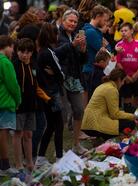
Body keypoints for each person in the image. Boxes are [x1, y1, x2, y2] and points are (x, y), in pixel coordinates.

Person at [35, 23, 82, 166]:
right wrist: (57, 74)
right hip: (53, 93)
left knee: (50, 125)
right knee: (58, 125)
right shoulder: (49, 52)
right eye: (56, 33)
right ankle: (59, 158)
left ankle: (41, 157)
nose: (57, 36)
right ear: (51, 35)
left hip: (44, 93)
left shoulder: (41, 51)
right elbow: (60, 73)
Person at [12, 38, 51, 172]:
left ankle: (29, 162)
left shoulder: (34, 66)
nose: (24, 55)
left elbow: (36, 86)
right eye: (22, 51)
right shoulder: (14, 65)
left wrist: (46, 98)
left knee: (28, 134)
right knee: (18, 134)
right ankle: (18, 164)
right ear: (17, 51)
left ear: (32, 52)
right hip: (18, 107)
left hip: (31, 106)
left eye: (28, 52)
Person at [58, 9, 88, 154]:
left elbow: (82, 61)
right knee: (62, 114)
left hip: (74, 78)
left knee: (79, 110)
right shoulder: (57, 35)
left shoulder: (76, 36)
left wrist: (83, 51)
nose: (73, 24)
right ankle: (59, 149)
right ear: (63, 21)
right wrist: (73, 45)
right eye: (70, 21)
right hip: (61, 78)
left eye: (75, 22)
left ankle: (76, 144)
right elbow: (56, 54)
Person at [81, 68, 136, 140]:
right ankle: (117, 140)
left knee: (123, 121)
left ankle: (102, 139)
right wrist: (132, 116)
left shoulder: (103, 86)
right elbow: (115, 114)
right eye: (123, 81)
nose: (123, 84)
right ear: (119, 79)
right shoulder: (112, 89)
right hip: (95, 124)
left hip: (87, 123)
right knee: (130, 123)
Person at [116, 22, 138, 114]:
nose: (123, 32)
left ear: (131, 31)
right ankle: (130, 124)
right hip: (125, 78)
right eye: (121, 31)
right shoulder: (119, 45)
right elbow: (118, 62)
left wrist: (136, 74)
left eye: (125, 30)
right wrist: (126, 76)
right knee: (127, 100)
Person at [81, 5, 111, 107]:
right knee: (93, 105)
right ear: (98, 16)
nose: (106, 23)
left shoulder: (94, 31)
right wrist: (106, 45)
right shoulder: (91, 32)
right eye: (105, 20)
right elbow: (106, 53)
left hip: (93, 71)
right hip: (91, 72)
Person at [0, 35, 21, 175]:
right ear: (6, 46)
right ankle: (5, 165)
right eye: (12, 47)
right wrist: (18, 99)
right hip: (5, 102)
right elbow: (13, 84)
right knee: (4, 132)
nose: (13, 50)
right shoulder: (6, 63)